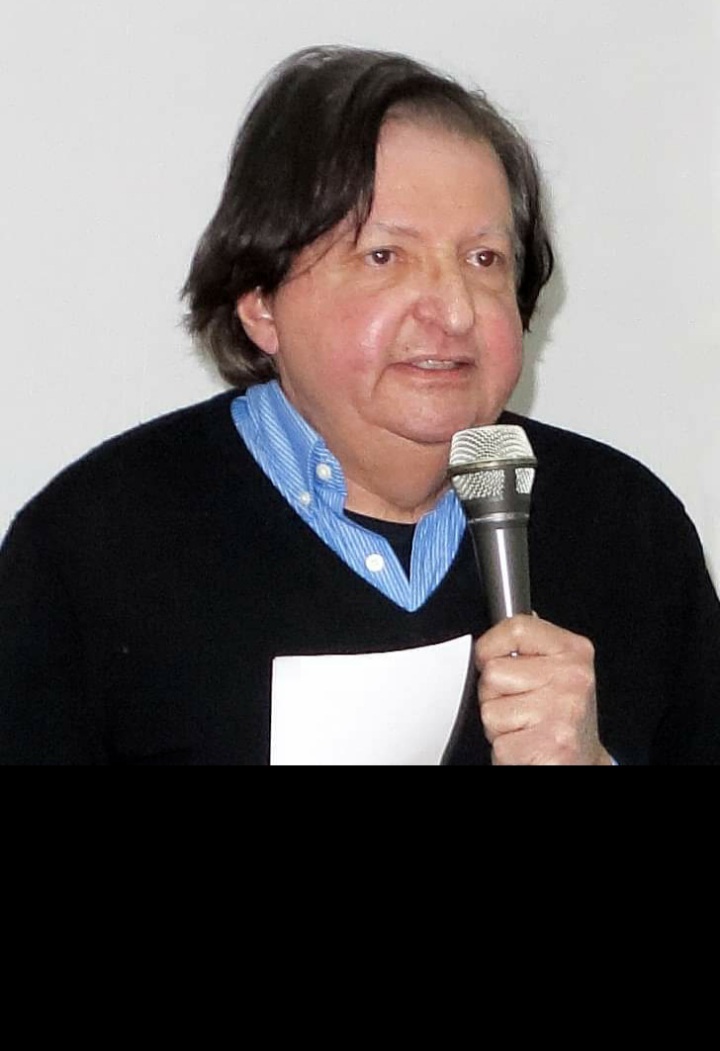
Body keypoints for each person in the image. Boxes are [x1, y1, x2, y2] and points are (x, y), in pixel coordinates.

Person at [1, 45, 719, 765]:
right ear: (260, 301)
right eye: (385, 256)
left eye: (484, 259)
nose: (454, 311)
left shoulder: (629, 530)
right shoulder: (91, 550)